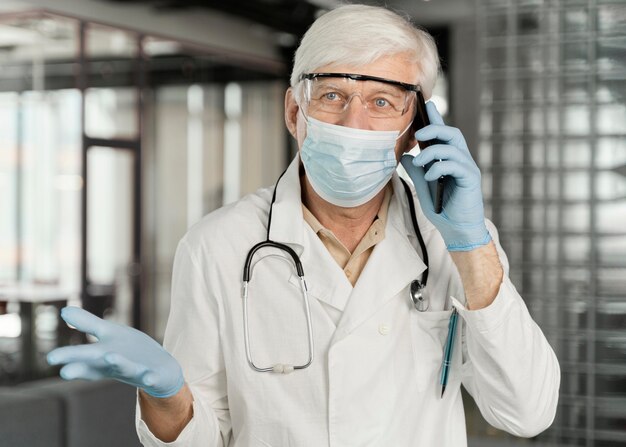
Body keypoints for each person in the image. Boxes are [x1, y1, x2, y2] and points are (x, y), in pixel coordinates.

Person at [47, 4, 560, 446]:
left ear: (415, 131)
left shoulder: (457, 244)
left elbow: (525, 412)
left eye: (383, 102)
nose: (353, 123)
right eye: (332, 95)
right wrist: (167, 395)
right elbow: (201, 438)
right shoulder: (218, 244)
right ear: (295, 111)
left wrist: (470, 244)